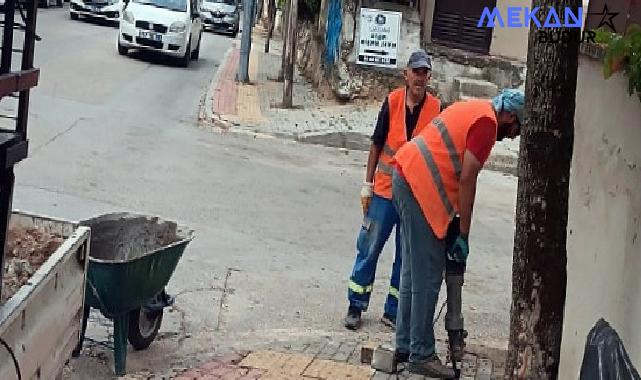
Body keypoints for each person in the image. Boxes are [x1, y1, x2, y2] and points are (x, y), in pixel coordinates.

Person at [390, 89, 524, 377]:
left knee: (413, 273)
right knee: (427, 276)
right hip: (417, 187)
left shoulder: (474, 107)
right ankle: (421, 353)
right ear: (510, 116)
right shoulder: (487, 124)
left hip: (406, 176)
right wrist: (463, 233)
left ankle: (404, 345)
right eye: (517, 128)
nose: (513, 136)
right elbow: (467, 178)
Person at [344, 50, 442, 331]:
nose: (420, 78)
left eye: (425, 73)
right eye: (416, 72)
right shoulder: (392, 102)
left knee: (406, 256)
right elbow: (377, 145)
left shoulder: (436, 109)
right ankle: (356, 304)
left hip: (415, 195)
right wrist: (367, 184)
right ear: (406, 74)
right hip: (385, 192)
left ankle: (394, 310)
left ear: (428, 77)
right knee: (369, 247)